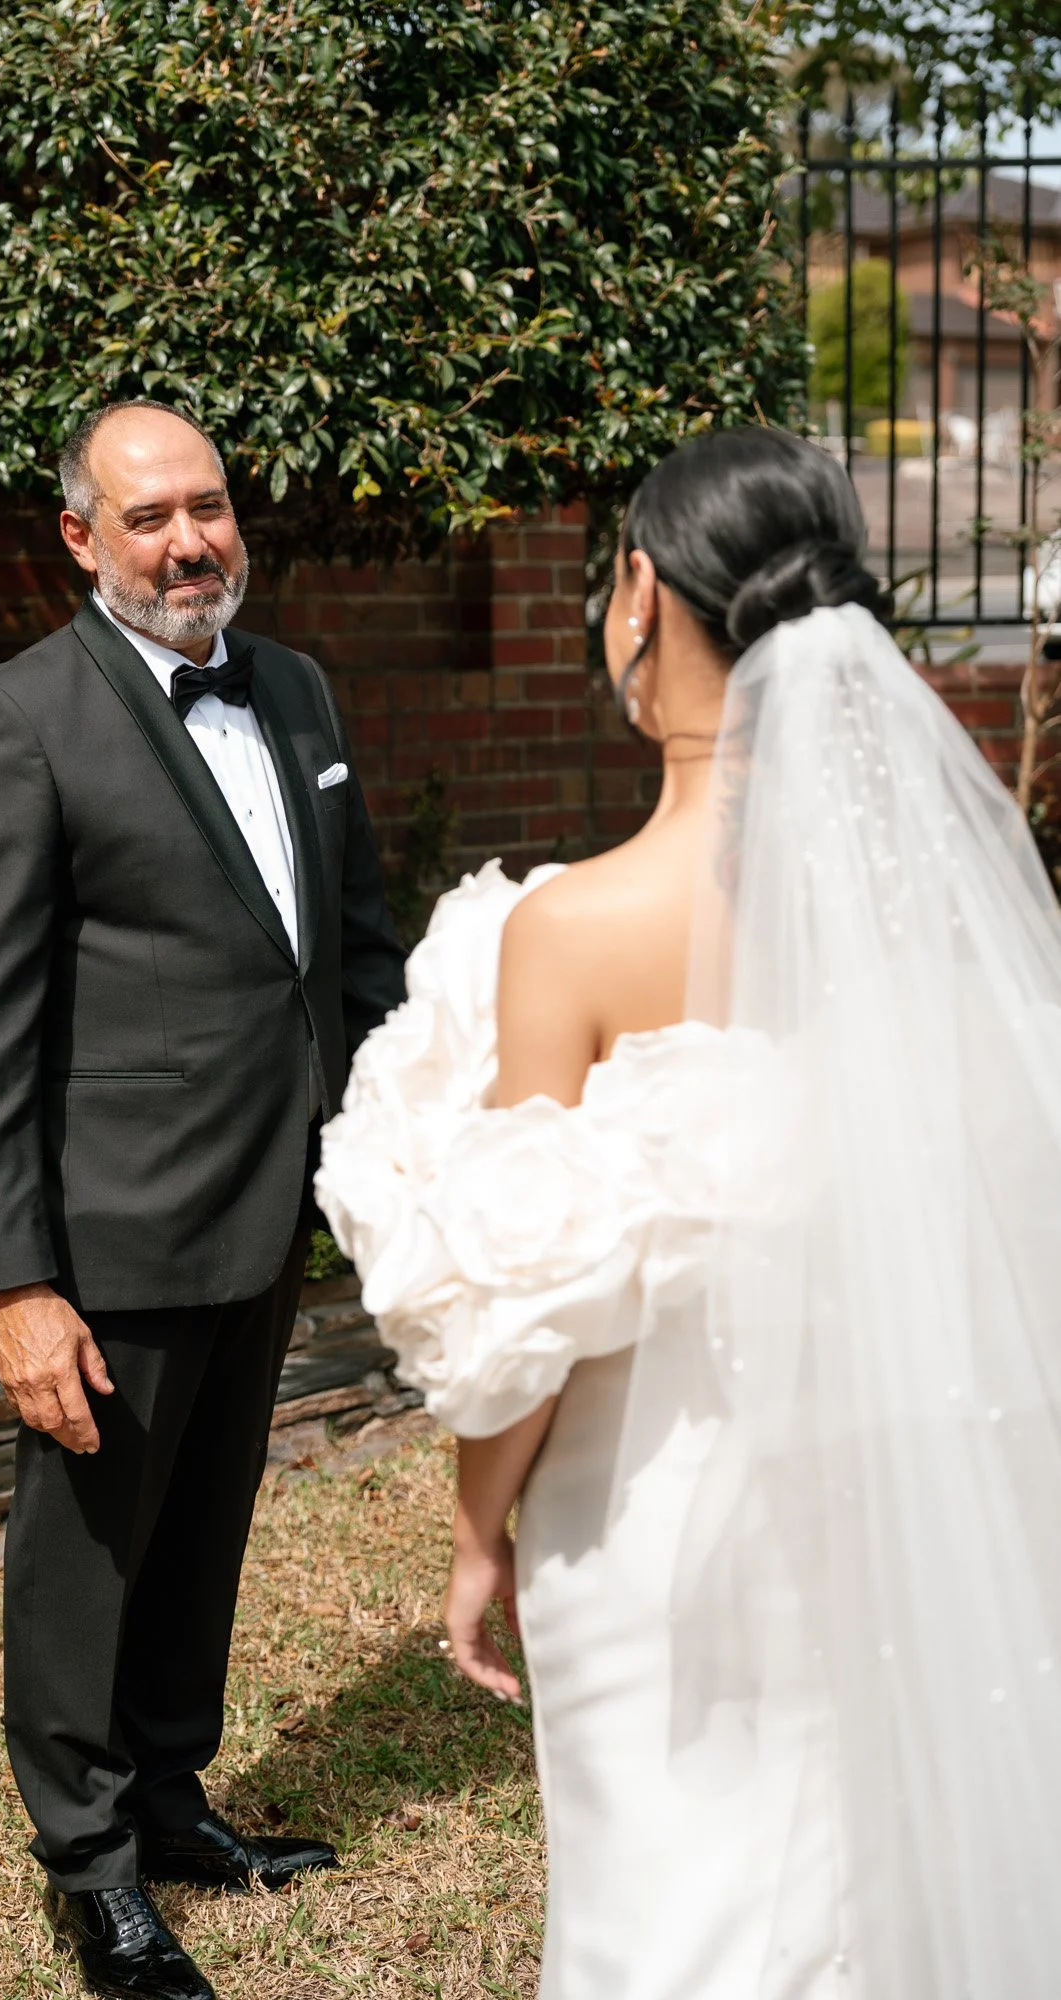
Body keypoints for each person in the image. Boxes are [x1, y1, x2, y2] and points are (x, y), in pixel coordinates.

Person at [317, 426, 1061, 1999]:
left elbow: (527, 1287)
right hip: (876, 1473)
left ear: (641, 594)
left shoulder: (572, 931)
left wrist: (472, 1532)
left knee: (670, 1897)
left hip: (651, 1504)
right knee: (858, 1878)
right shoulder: (924, 912)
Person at [0, 400, 406, 2000]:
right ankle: (94, 1872)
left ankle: (176, 1798)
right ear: (81, 537)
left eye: (209, 505)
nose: (191, 539)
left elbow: (348, 949)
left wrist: (401, 1145)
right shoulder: (15, 721)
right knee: (91, 1564)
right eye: (149, 517)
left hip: (269, 1211)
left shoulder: (298, 688)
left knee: (204, 1536)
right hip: (110, 1235)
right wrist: (12, 1281)